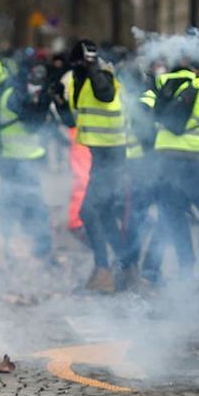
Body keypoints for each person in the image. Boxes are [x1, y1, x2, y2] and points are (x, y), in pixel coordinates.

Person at [141, 58, 199, 283]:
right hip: (196, 163)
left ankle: (185, 268)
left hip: (165, 163)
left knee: (173, 217)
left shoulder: (179, 87)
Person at [54, 39, 131, 293]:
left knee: (90, 211)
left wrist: (93, 67)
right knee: (105, 212)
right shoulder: (78, 81)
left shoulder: (102, 74)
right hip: (100, 156)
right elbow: (73, 121)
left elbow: (106, 94)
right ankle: (125, 264)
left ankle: (105, 270)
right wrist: (61, 103)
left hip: (115, 155)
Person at [0, 63, 55, 263]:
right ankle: (25, 249)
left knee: (25, 203)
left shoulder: (16, 92)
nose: (36, 86)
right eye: (34, 81)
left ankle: (35, 249)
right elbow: (32, 124)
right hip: (12, 159)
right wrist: (44, 101)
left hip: (25, 158)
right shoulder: (15, 95)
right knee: (24, 203)